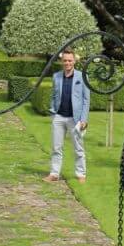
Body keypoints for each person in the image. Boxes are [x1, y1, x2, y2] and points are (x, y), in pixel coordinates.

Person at [45, 49, 90, 183]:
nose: (67, 63)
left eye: (70, 60)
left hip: (75, 119)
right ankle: (54, 174)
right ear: (61, 61)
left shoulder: (82, 77)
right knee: (56, 147)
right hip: (58, 117)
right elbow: (54, 95)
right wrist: (53, 112)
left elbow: (86, 100)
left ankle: (81, 174)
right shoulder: (56, 76)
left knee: (78, 148)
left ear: (74, 61)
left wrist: (83, 119)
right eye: (65, 60)